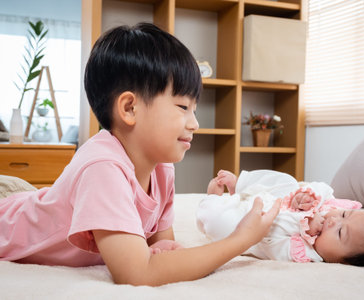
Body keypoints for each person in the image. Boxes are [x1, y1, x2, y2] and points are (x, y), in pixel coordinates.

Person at [0, 23, 281, 286]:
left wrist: (161, 248)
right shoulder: (102, 168)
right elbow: (137, 272)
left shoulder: (161, 167)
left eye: (194, 109)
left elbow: (161, 246)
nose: (194, 123)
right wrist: (240, 240)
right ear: (129, 109)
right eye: (183, 107)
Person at [198, 169, 364, 267]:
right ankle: (241, 184)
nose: (333, 220)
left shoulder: (305, 253)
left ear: (343, 262)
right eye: (344, 215)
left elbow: (274, 242)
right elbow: (320, 187)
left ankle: (214, 201)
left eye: (340, 233)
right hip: (264, 197)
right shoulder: (329, 207)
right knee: (288, 181)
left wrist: (304, 225)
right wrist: (305, 196)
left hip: (247, 224)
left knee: (220, 226)